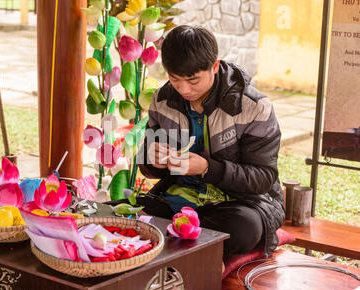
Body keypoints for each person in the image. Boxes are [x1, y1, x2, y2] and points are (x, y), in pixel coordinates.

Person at [106, 25, 285, 271]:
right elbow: (148, 166)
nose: (184, 89)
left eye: (193, 80)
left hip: (240, 204)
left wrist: (207, 169)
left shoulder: (253, 107)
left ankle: (171, 247)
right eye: (175, 80)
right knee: (113, 213)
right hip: (177, 200)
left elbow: (263, 179)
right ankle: (189, 247)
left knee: (244, 228)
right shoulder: (163, 100)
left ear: (214, 66)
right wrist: (152, 159)